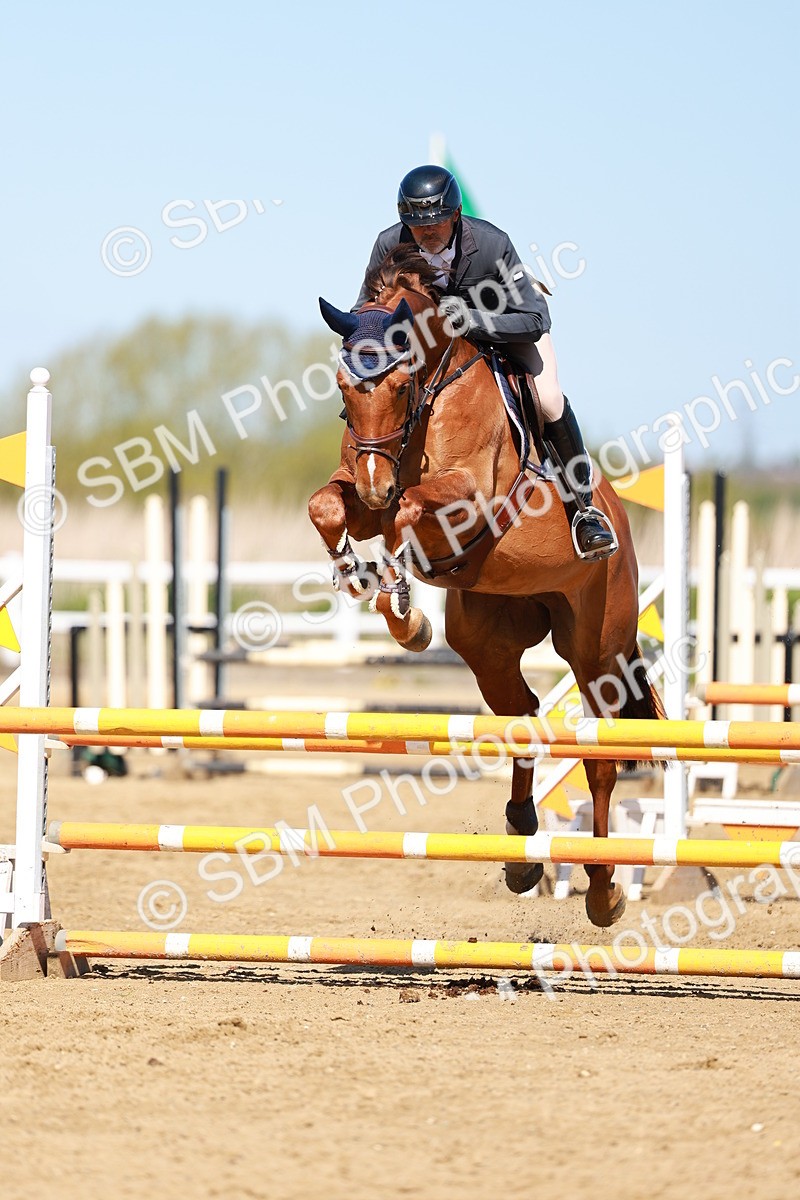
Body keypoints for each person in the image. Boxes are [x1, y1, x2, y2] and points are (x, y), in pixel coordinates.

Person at [352, 164, 616, 560]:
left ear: (456, 214)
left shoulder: (493, 244)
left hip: (506, 331)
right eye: (417, 225)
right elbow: (365, 308)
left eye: (437, 222)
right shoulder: (388, 243)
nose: (427, 232)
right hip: (433, 349)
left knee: (548, 399)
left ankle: (584, 509)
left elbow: (534, 318)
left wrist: (472, 320)